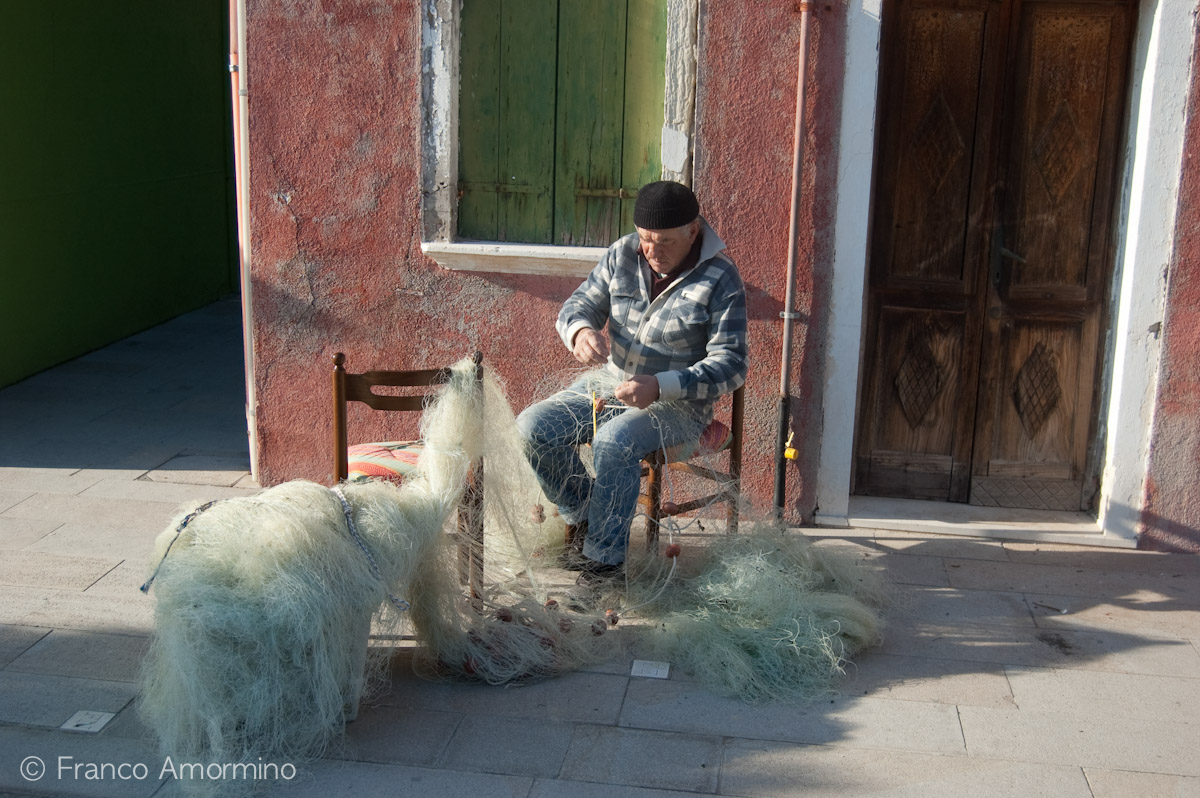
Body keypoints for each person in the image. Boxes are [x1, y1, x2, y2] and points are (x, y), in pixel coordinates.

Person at [516, 181, 748, 587]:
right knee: (532, 427)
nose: (652, 251)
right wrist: (580, 331)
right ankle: (587, 511)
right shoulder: (622, 253)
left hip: (678, 405)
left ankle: (605, 564)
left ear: (693, 232)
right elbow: (578, 305)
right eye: (645, 239)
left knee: (613, 441)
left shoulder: (720, 278)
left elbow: (731, 366)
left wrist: (660, 385)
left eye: (664, 242)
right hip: (611, 381)